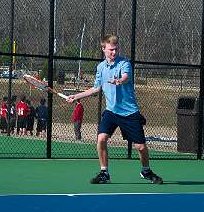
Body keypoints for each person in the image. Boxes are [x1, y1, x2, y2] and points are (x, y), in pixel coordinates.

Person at [66, 34, 163, 184]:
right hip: (111, 111)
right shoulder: (100, 68)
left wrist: (119, 81)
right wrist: (76, 96)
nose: (114, 52)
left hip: (129, 112)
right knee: (101, 138)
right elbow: (96, 88)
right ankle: (104, 173)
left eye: (116, 49)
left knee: (141, 147)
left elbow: (125, 77)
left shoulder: (124, 63)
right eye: (111, 49)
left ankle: (146, 171)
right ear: (103, 49)